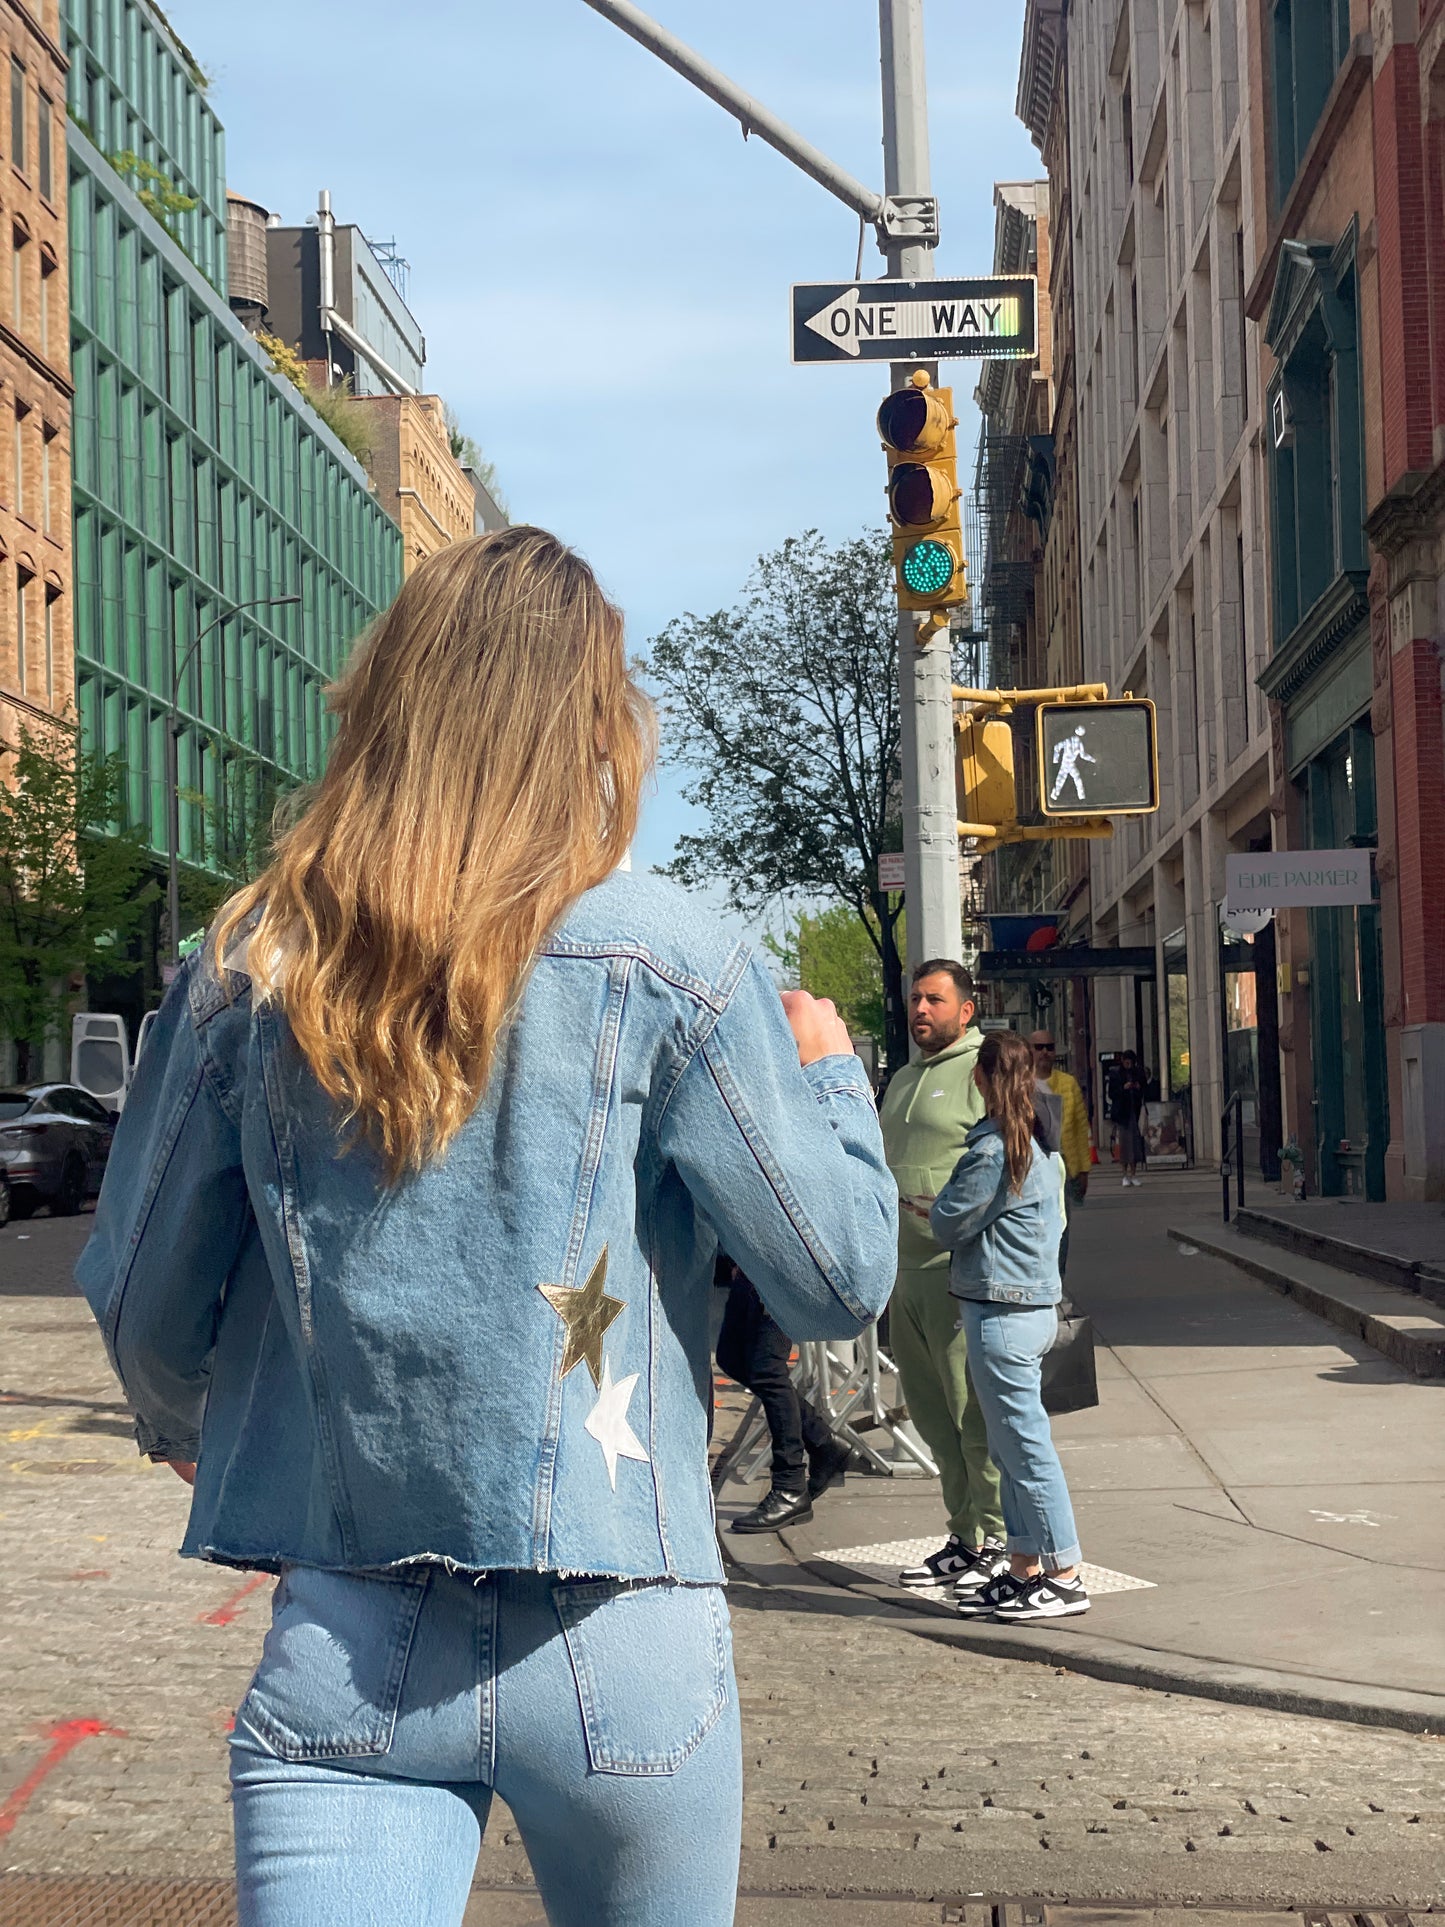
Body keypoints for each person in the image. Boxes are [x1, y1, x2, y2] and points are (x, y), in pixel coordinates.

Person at [74, 528, 898, 1927]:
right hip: (623, 1619)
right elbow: (833, 1277)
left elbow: (143, 1295)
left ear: (386, 697)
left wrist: (179, 1423)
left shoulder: (247, 965)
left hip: (349, 1623)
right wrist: (826, 1069)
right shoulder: (677, 957)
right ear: (590, 721)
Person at [930, 1029, 1090, 1623]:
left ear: (981, 1080)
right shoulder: (1041, 1142)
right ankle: (1025, 1564)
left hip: (1000, 1311)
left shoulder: (994, 1150)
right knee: (1011, 1444)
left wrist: (937, 1204)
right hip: (1034, 1308)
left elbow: (949, 1221)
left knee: (1024, 1448)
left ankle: (1066, 1573)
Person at [878, 961, 1006, 1598]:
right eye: (915, 999)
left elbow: (1017, 1164)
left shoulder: (983, 1074)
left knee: (972, 1416)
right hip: (903, 1275)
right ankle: (965, 1536)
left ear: (967, 1009)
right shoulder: (901, 1078)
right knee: (932, 1417)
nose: (921, 1009)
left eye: (935, 999)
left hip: (959, 1275)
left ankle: (1002, 1540)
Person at [714, 1258, 851, 1532]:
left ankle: (790, 1487)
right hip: (752, 1265)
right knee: (732, 1357)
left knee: (767, 1369)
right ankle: (824, 1443)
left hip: (781, 1266)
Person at [1030, 1031, 1091, 1276]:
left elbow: (1080, 1128)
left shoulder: (1067, 1084)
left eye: (1049, 1047)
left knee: (1061, 1225)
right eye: (1039, 1047)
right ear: (1029, 1051)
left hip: (1061, 1164)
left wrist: (1084, 1168)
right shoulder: (1020, 1083)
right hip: (1029, 1163)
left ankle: (1058, 1279)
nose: (1045, 1052)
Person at [1108, 1048, 1148, 1186]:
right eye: (1126, 1062)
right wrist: (1123, 1088)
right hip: (1122, 1114)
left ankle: (1133, 1174)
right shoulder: (1116, 1074)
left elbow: (1144, 1089)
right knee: (1125, 1144)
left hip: (1134, 1112)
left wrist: (1137, 1087)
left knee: (1135, 1144)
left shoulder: (1138, 1073)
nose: (1128, 1064)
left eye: (1130, 1062)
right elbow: (1111, 1094)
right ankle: (1124, 1174)